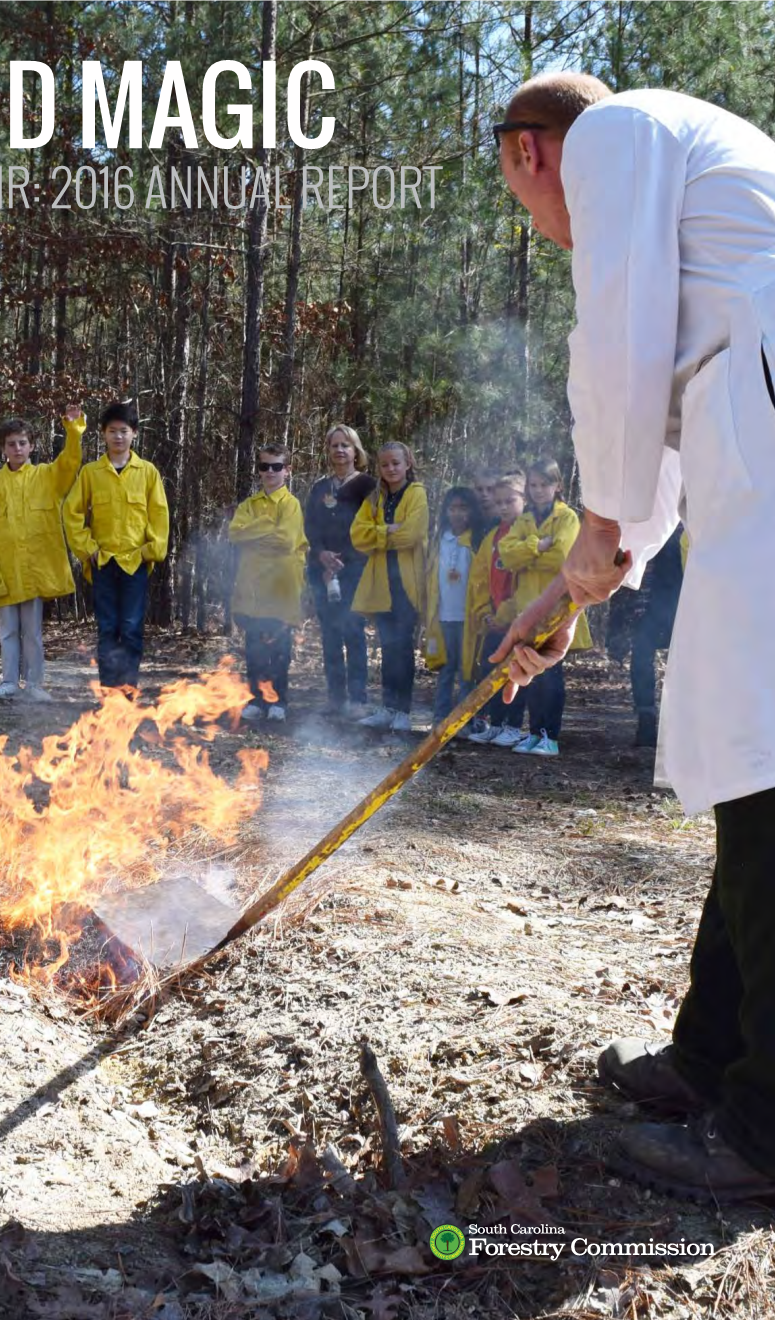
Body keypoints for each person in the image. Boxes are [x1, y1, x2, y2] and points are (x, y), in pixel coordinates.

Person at [492, 73, 775, 1199]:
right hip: (744, 425)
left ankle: (761, 1127)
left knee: (763, 751)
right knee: (746, 753)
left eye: (522, 196)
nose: (541, 221)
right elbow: (631, 396)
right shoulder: (683, 177)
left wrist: (600, 527)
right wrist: (574, 589)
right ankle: (712, 1059)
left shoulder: (613, 134)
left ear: (528, 155)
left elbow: (621, 329)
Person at [0, 407, 85, 702]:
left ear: (32, 446)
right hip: (7, 571)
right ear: (3, 449)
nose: (17, 448)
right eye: (11, 444)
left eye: (22, 443)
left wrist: (73, 430)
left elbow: (70, 462)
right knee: (8, 632)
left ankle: (35, 685)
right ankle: (9, 681)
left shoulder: (47, 476)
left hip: (35, 571)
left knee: (33, 633)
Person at [63, 402, 169, 690]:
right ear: (103, 434)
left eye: (124, 431)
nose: (118, 437)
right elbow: (71, 513)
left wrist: (150, 550)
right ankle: (110, 693)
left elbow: (159, 516)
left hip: (135, 564)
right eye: (112, 431)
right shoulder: (91, 473)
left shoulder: (147, 473)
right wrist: (88, 549)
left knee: (132, 629)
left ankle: (128, 693)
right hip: (104, 564)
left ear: (134, 433)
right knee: (108, 629)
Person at [496, 458, 591, 756]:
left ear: (558, 486)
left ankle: (550, 736)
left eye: (544, 484)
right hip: (527, 609)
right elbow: (506, 556)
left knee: (550, 674)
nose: (538, 491)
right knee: (532, 674)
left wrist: (528, 551)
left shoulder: (567, 518)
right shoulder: (523, 520)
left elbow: (562, 556)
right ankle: (535, 732)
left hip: (557, 610)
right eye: (533, 485)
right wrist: (538, 545)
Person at [350, 442, 428, 733]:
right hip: (382, 584)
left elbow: (412, 534)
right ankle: (387, 707)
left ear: (407, 463)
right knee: (387, 647)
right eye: (385, 465)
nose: (391, 469)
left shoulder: (416, 493)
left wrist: (378, 537)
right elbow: (358, 536)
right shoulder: (375, 498)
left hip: (406, 584)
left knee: (403, 649)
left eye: (396, 463)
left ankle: (403, 712)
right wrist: (386, 531)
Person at [228, 445, 307, 723]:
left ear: (287, 470)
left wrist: (255, 533)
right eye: (265, 467)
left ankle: (278, 702)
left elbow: (286, 540)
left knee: (280, 650)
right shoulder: (248, 506)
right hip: (253, 590)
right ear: (259, 470)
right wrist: (266, 527)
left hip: (282, 589)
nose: (270, 472)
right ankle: (256, 700)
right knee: (255, 650)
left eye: (276, 466)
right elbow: (235, 534)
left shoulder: (291, 505)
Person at [303, 424, 376, 718]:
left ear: (355, 450)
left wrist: (343, 557)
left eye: (345, 445)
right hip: (322, 568)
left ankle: (358, 700)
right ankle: (335, 698)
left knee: (353, 631)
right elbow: (311, 524)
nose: (340, 450)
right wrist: (321, 554)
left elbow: (370, 524)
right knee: (330, 633)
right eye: (334, 445)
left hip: (354, 568)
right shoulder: (321, 487)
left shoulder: (367, 485)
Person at [606, 526, 684, 748]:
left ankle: (680, 724)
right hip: (640, 603)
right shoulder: (633, 522)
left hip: (677, 600)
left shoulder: (684, 524)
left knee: (683, 662)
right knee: (641, 657)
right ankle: (646, 720)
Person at [467, 473, 529, 747]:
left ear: (524, 500)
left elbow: (530, 580)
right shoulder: (493, 536)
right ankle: (494, 723)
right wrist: (485, 612)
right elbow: (479, 578)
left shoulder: (530, 533)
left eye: (510, 501)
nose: (504, 507)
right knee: (490, 671)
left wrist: (509, 615)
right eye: (499, 502)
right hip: (494, 620)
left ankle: (513, 726)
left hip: (521, 619)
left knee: (516, 673)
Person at [424, 486, 481, 724]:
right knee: (446, 669)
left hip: (469, 619)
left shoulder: (477, 541)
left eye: (463, 508)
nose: (457, 514)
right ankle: (440, 718)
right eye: (452, 508)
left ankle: (464, 720)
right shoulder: (439, 540)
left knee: (468, 670)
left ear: (472, 511)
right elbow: (430, 579)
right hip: (444, 616)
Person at [470, 467, 500, 541]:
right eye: (479, 489)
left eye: (490, 489)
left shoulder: (506, 520)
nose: (484, 494)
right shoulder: (469, 521)